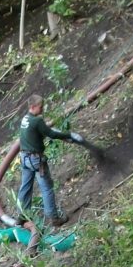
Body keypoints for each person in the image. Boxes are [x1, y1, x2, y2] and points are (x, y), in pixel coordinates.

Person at [17, 94, 83, 226]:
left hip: (24, 158)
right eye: (40, 107)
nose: (42, 109)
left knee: (25, 187)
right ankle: (54, 218)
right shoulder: (37, 121)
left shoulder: (25, 119)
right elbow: (51, 134)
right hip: (36, 160)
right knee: (47, 188)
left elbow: (41, 132)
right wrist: (69, 135)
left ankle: (21, 216)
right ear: (33, 107)